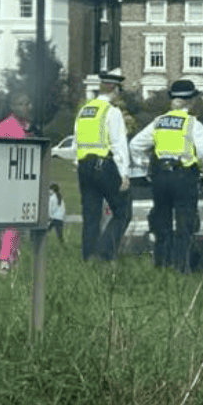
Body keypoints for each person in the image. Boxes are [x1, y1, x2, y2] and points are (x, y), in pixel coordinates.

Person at [130, 79, 203, 271]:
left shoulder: (158, 122)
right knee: (184, 224)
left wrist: (146, 166)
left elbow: (135, 145)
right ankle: (181, 267)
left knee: (161, 222)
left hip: (160, 177)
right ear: (191, 101)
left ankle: (161, 265)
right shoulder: (192, 123)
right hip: (183, 176)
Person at [74, 69, 131, 262]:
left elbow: (76, 142)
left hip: (84, 166)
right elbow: (119, 144)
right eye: (119, 91)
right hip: (104, 165)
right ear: (114, 89)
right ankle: (104, 252)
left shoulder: (84, 111)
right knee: (123, 211)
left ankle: (88, 256)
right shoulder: (112, 112)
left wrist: (78, 164)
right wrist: (124, 173)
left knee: (91, 215)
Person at [0, 91, 33, 274]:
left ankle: (13, 257)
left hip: (21, 181)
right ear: (13, 107)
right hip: (8, 181)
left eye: (29, 103)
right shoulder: (6, 127)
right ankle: (4, 260)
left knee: (17, 221)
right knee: (11, 221)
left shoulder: (23, 126)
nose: (29, 107)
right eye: (25, 104)